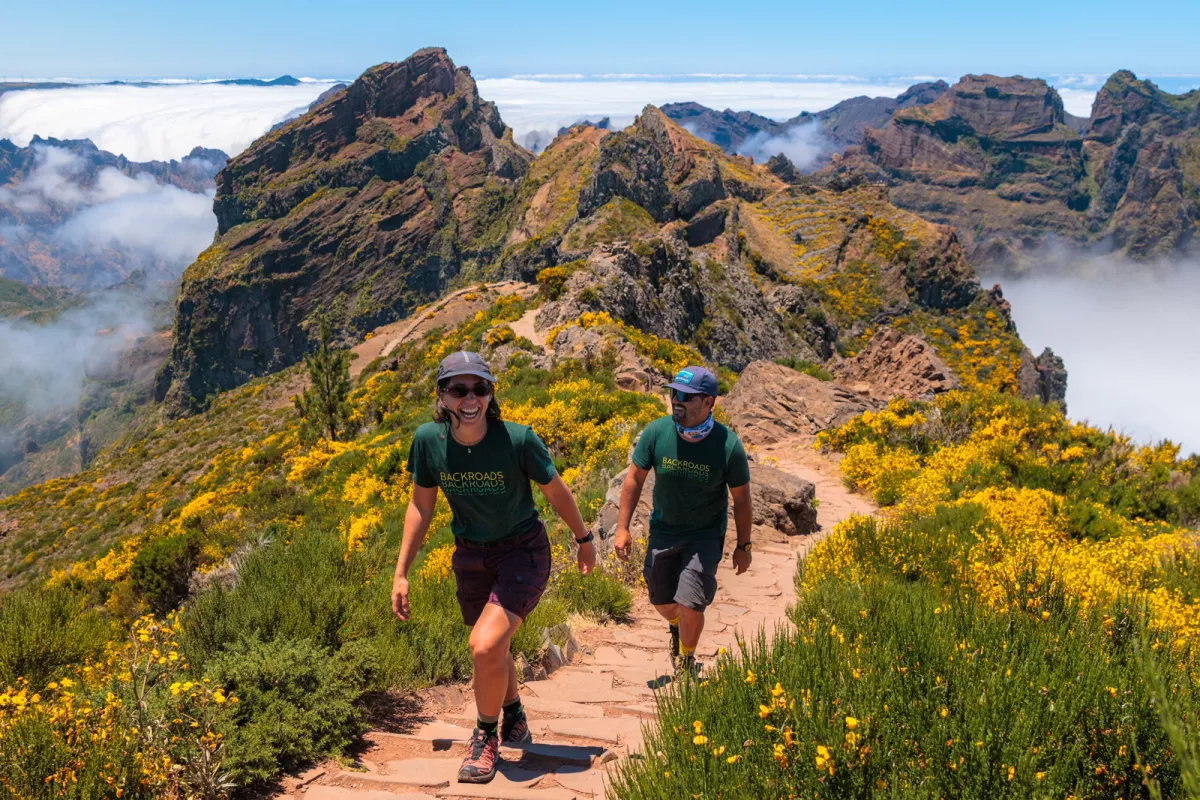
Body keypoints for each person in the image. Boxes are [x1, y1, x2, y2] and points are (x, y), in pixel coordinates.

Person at [391, 351, 597, 784]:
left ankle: (486, 738)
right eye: (459, 389)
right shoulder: (428, 441)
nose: (470, 398)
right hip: (470, 555)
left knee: (484, 648)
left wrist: (584, 539)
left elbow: (556, 491)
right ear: (442, 395)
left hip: (523, 552)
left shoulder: (518, 440)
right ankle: (515, 716)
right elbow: (420, 507)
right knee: (492, 650)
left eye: (480, 388)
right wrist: (401, 571)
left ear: (491, 393)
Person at [613, 365, 752, 677]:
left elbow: (742, 501)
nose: (677, 400)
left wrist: (744, 545)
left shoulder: (728, 446)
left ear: (708, 403)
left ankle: (686, 660)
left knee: (690, 603)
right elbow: (633, 480)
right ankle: (677, 628)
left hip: (704, 537)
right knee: (662, 601)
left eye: (687, 397)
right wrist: (622, 528)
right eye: (674, 392)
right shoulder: (656, 432)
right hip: (663, 532)